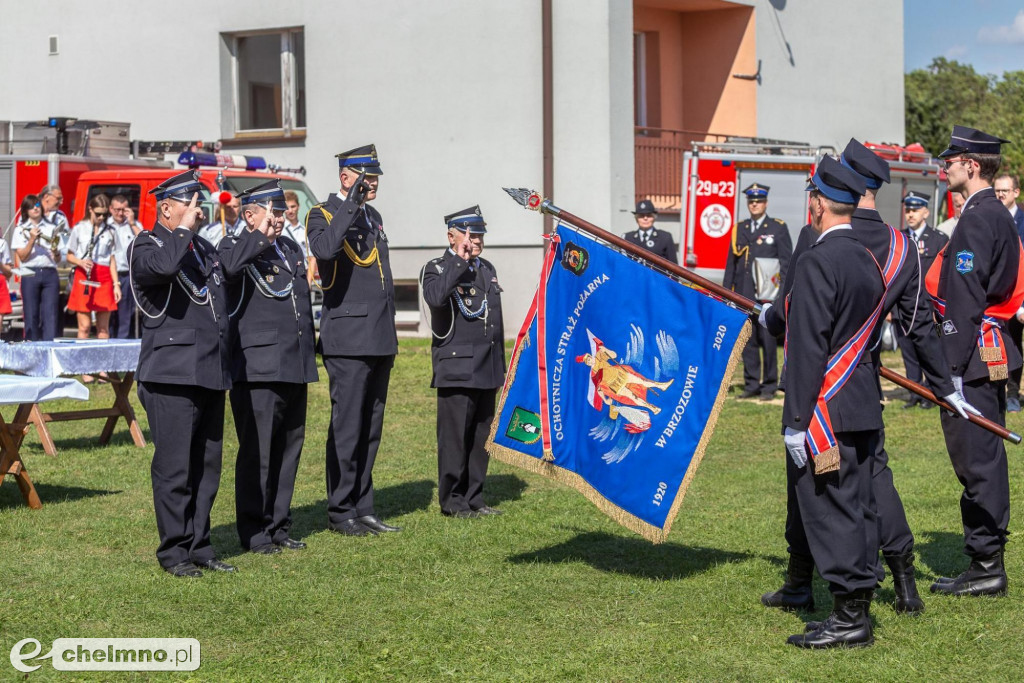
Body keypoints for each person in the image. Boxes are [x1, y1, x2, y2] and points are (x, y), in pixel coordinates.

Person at [760, 141, 965, 622]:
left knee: (818, 489)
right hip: (863, 382)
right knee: (871, 484)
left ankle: (816, 588)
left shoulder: (819, 244)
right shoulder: (897, 246)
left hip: (822, 387)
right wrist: (945, 386)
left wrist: (765, 321)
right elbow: (917, 327)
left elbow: (795, 316)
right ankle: (902, 578)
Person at [781, 156, 882, 649]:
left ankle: (848, 619)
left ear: (818, 203)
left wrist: (797, 421)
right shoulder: (866, 257)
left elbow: (807, 346)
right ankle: (857, 605)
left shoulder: (817, 260)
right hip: (861, 402)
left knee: (830, 509)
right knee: (858, 507)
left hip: (825, 411)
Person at [929, 126, 1022, 597]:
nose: (944, 166)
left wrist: (950, 367)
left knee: (977, 460)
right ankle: (986, 559)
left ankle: (987, 564)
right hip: (988, 349)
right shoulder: (992, 213)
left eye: (951, 160)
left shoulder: (977, 217)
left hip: (971, 355)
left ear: (971, 164)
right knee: (983, 456)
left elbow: (965, 296)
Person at [129, 170, 234, 578]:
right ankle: (174, 552)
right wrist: (184, 231)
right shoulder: (148, 244)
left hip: (210, 368)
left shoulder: (201, 246)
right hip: (171, 374)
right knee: (175, 468)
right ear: (166, 207)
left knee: (207, 466)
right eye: (189, 203)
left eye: (199, 203)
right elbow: (165, 268)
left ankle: (199, 544)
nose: (197, 210)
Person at [219, 179, 318, 554]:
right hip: (257, 366)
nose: (280, 217)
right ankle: (254, 530)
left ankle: (278, 524)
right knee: (257, 452)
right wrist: (258, 236)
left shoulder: (291, 247)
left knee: (288, 449)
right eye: (272, 212)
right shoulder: (234, 245)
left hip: (294, 362)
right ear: (249, 214)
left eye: (281, 211)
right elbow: (228, 268)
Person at [307, 144, 401, 537]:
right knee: (347, 427)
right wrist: (349, 203)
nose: (373, 181)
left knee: (370, 428)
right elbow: (325, 249)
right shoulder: (322, 213)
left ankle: (364, 506)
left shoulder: (373, 215)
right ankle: (340, 510)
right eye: (366, 174)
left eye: (376, 175)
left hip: (378, 336)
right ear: (346, 177)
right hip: (347, 339)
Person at [421, 206, 506, 518]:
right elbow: (435, 298)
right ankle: (453, 500)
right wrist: (459, 260)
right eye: (469, 234)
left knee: (481, 438)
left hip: (487, 366)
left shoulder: (486, 268)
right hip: (457, 367)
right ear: (451, 236)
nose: (476, 240)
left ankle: (474, 497)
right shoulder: (437, 267)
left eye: (480, 234)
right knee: (455, 439)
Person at [724, 183, 792, 400]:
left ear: (766, 203)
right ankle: (752, 383)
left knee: (768, 340)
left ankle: (769, 385)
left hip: (767, 296)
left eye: (759, 201)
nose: (755, 205)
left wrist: (782, 294)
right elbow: (731, 265)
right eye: (751, 202)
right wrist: (727, 293)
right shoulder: (740, 228)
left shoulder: (777, 227)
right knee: (749, 340)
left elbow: (786, 263)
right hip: (744, 293)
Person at [896, 191, 948, 409]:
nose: (910, 214)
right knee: (908, 352)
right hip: (902, 307)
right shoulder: (897, 238)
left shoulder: (938, 240)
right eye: (907, 210)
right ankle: (914, 391)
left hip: (928, 307)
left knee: (930, 351)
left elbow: (942, 277)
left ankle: (930, 393)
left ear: (926, 212)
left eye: (915, 210)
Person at [66, 194, 121, 346]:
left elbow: (112, 259)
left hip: (103, 276)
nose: (101, 217)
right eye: (98, 214)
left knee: (103, 328)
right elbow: (69, 255)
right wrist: (80, 262)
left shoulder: (111, 231)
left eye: (105, 214)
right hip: (83, 275)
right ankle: (82, 368)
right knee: (84, 326)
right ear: (90, 209)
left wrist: (116, 285)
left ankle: (102, 367)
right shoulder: (79, 228)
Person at [11, 194, 61, 340]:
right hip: (29, 272)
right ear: (25, 210)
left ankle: (48, 347)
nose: (35, 208)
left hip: (49, 271)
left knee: (50, 314)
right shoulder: (20, 230)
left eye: (37, 205)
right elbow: (23, 257)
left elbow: (58, 260)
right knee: (31, 313)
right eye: (32, 206)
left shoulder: (52, 228)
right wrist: (32, 240)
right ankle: (31, 346)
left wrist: (56, 251)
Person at [994, 175, 1024, 412]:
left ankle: (1013, 392)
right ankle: (1001, 391)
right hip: (998, 299)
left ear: (1016, 192)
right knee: (999, 346)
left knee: (1015, 344)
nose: (1000, 194)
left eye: (1005, 190)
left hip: (1021, 300)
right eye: (997, 191)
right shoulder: (991, 219)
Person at [109, 196, 144, 338]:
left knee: (126, 315)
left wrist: (132, 223)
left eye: (124, 210)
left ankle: (122, 343)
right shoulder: (106, 225)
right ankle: (109, 343)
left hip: (126, 275)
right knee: (109, 314)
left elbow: (144, 240)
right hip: (109, 274)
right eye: (117, 210)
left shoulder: (134, 225)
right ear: (111, 209)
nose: (120, 213)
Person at [622, 199, 677, 263]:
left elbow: (674, 266)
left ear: (654, 218)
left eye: (649, 215)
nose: (645, 218)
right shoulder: (627, 238)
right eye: (641, 216)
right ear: (636, 219)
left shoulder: (665, 237)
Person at [283, 190, 317, 286]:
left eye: (293, 206)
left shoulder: (305, 231)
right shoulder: (279, 230)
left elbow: (311, 259)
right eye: (287, 207)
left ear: (298, 206)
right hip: (285, 275)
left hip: (302, 274)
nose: (290, 211)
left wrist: (308, 283)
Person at [38, 184, 70, 263]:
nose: (61, 202)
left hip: (53, 265)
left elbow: (66, 241)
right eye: (58, 198)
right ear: (46, 197)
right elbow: (20, 244)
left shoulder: (61, 217)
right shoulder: (31, 215)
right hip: (34, 266)